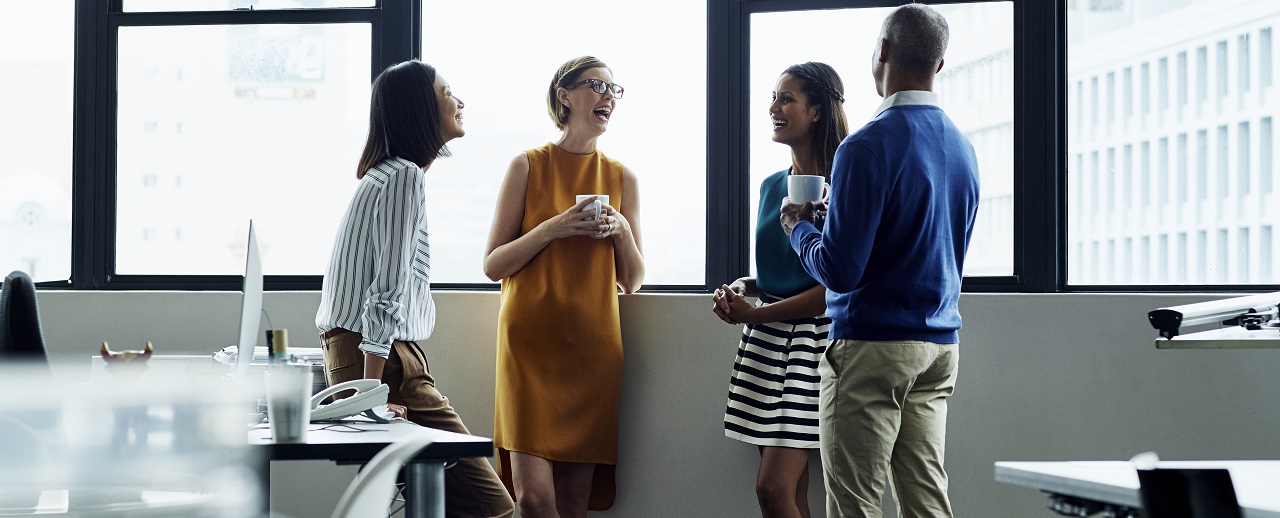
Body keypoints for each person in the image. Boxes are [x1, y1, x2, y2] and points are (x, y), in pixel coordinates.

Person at [780, 5, 980, 517]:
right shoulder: (963, 147)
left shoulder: (865, 145)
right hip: (939, 348)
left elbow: (842, 271)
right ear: (938, 65)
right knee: (926, 499)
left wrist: (799, 229)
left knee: (855, 504)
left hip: (873, 349)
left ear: (883, 52)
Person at [315, 60, 515, 518]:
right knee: (492, 506)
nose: (459, 101)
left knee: (431, 498)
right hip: (385, 362)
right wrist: (372, 397)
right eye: (448, 92)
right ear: (421, 108)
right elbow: (385, 291)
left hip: (371, 356)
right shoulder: (404, 176)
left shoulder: (382, 175)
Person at [483, 55, 645, 518]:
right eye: (597, 85)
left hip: (592, 352)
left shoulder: (621, 177)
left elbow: (630, 280)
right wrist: (554, 227)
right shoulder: (528, 166)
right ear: (565, 96)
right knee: (533, 500)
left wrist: (622, 232)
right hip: (529, 350)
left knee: (575, 504)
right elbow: (494, 265)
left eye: (614, 90)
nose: (608, 96)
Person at [712, 62, 849, 518]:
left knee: (772, 490)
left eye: (786, 98)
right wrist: (741, 287)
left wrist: (751, 315)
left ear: (816, 111)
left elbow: (833, 286)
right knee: (790, 495)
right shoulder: (771, 186)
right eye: (774, 97)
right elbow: (775, 271)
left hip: (814, 344)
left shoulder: (845, 184)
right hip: (766, 344)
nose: (773, 107)